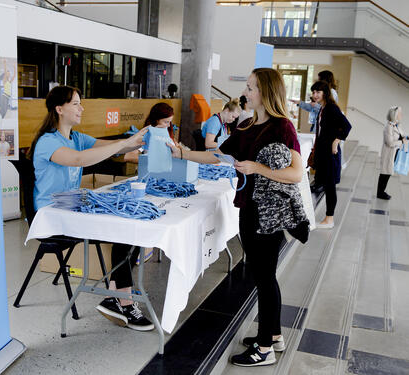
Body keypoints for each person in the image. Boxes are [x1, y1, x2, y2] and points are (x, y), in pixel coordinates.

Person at [168, 68, 304, 366]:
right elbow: (217, 154)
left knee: (265, 278)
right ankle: (274, 334)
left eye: (251, 87)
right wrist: (182, 154)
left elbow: (295, 174)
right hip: (248, 210)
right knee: (262, 275)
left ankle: (265, 347)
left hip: (269, 213)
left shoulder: (283, 128)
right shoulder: (247, 127)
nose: (246, 92)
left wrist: (258, 169)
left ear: (267, 92)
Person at [28, 85, 155, 331]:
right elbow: (78, 160)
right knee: (124, 229)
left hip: (73, 208)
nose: (81, 108)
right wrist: (125, 144)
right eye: (75, 103)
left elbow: (114, 146)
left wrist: (139, 140)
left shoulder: (77, 138)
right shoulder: (47, 142)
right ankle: (123, 301)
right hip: (51, 216)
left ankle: (118, 295)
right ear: (59, 109)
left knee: (131, 224)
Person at [309, 81, 352, 229]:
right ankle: (328, 218)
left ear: (325, 92)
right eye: (313, 92)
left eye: (317, 92)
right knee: (327, 185)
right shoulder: (323, 108)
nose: (315, 95)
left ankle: (329, 219)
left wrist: (336, 141)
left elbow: (347, 126)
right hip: (324, 153)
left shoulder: (331, 108)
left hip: (330, 154)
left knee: (330, 186)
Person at [377, 106, 407, 200]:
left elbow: (401, 137)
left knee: (388, 172)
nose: (401, 115)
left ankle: (382, 191)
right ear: (395, 115)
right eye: (399, 113)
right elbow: (389, 142)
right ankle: (380, 192)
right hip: (388, 153)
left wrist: (405, 138)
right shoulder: (389, 127)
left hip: (395, 153)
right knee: (385, 172)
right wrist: (401, 142)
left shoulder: (397, 126)